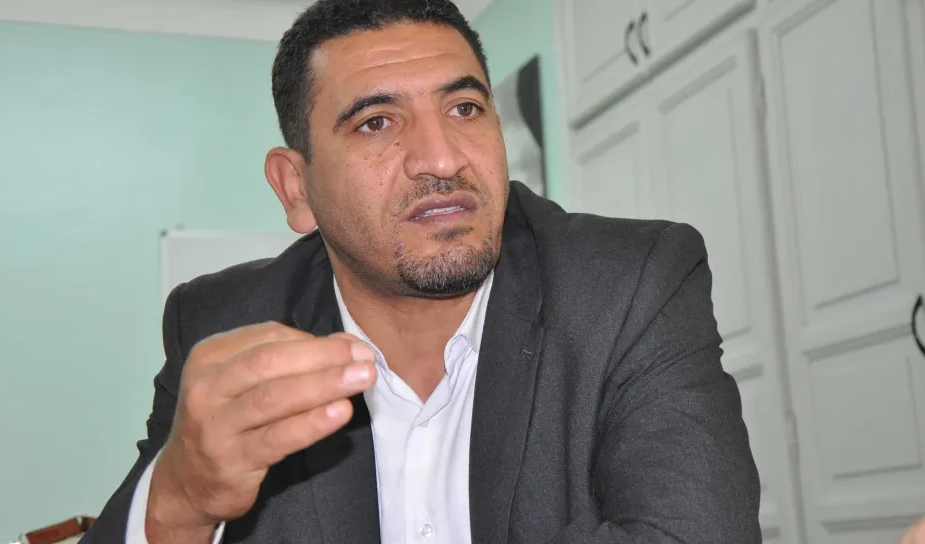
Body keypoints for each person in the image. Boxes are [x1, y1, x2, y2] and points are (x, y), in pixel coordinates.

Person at [81, 0, 762, 542]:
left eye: (464, 109)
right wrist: (180, 503)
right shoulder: (224, 325)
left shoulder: (629, 285)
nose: (441, 157)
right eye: (376, 122)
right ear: (296, 189)